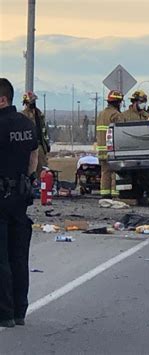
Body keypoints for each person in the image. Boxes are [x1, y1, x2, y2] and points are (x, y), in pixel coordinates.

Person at [0, 78, 39, 328]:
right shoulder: (26, 123)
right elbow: (34, 156)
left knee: (1, 257)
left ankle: (4, 314)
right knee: (19, 255)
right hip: (20, 195)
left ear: (2, 99)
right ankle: (19, 311)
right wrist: (26, 178)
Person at [96, 90, 124, 198]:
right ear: (117, 102)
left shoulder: (101, 114)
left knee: (105, 172)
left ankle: (105, 194)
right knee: (115, 173)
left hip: (102, 149)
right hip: (112, 149)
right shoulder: (116, 114)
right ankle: (115, 195)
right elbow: (120, 132)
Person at [22, 91, 50, 177]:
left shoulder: (39, 114)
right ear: (26, 103)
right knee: (31, 170)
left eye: (34, 101)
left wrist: (46, 144)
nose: (32, 103)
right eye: (31, 101)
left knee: (43, 170)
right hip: (29, 148)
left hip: (40, 146)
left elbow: (43, 130)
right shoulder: (23, 115)